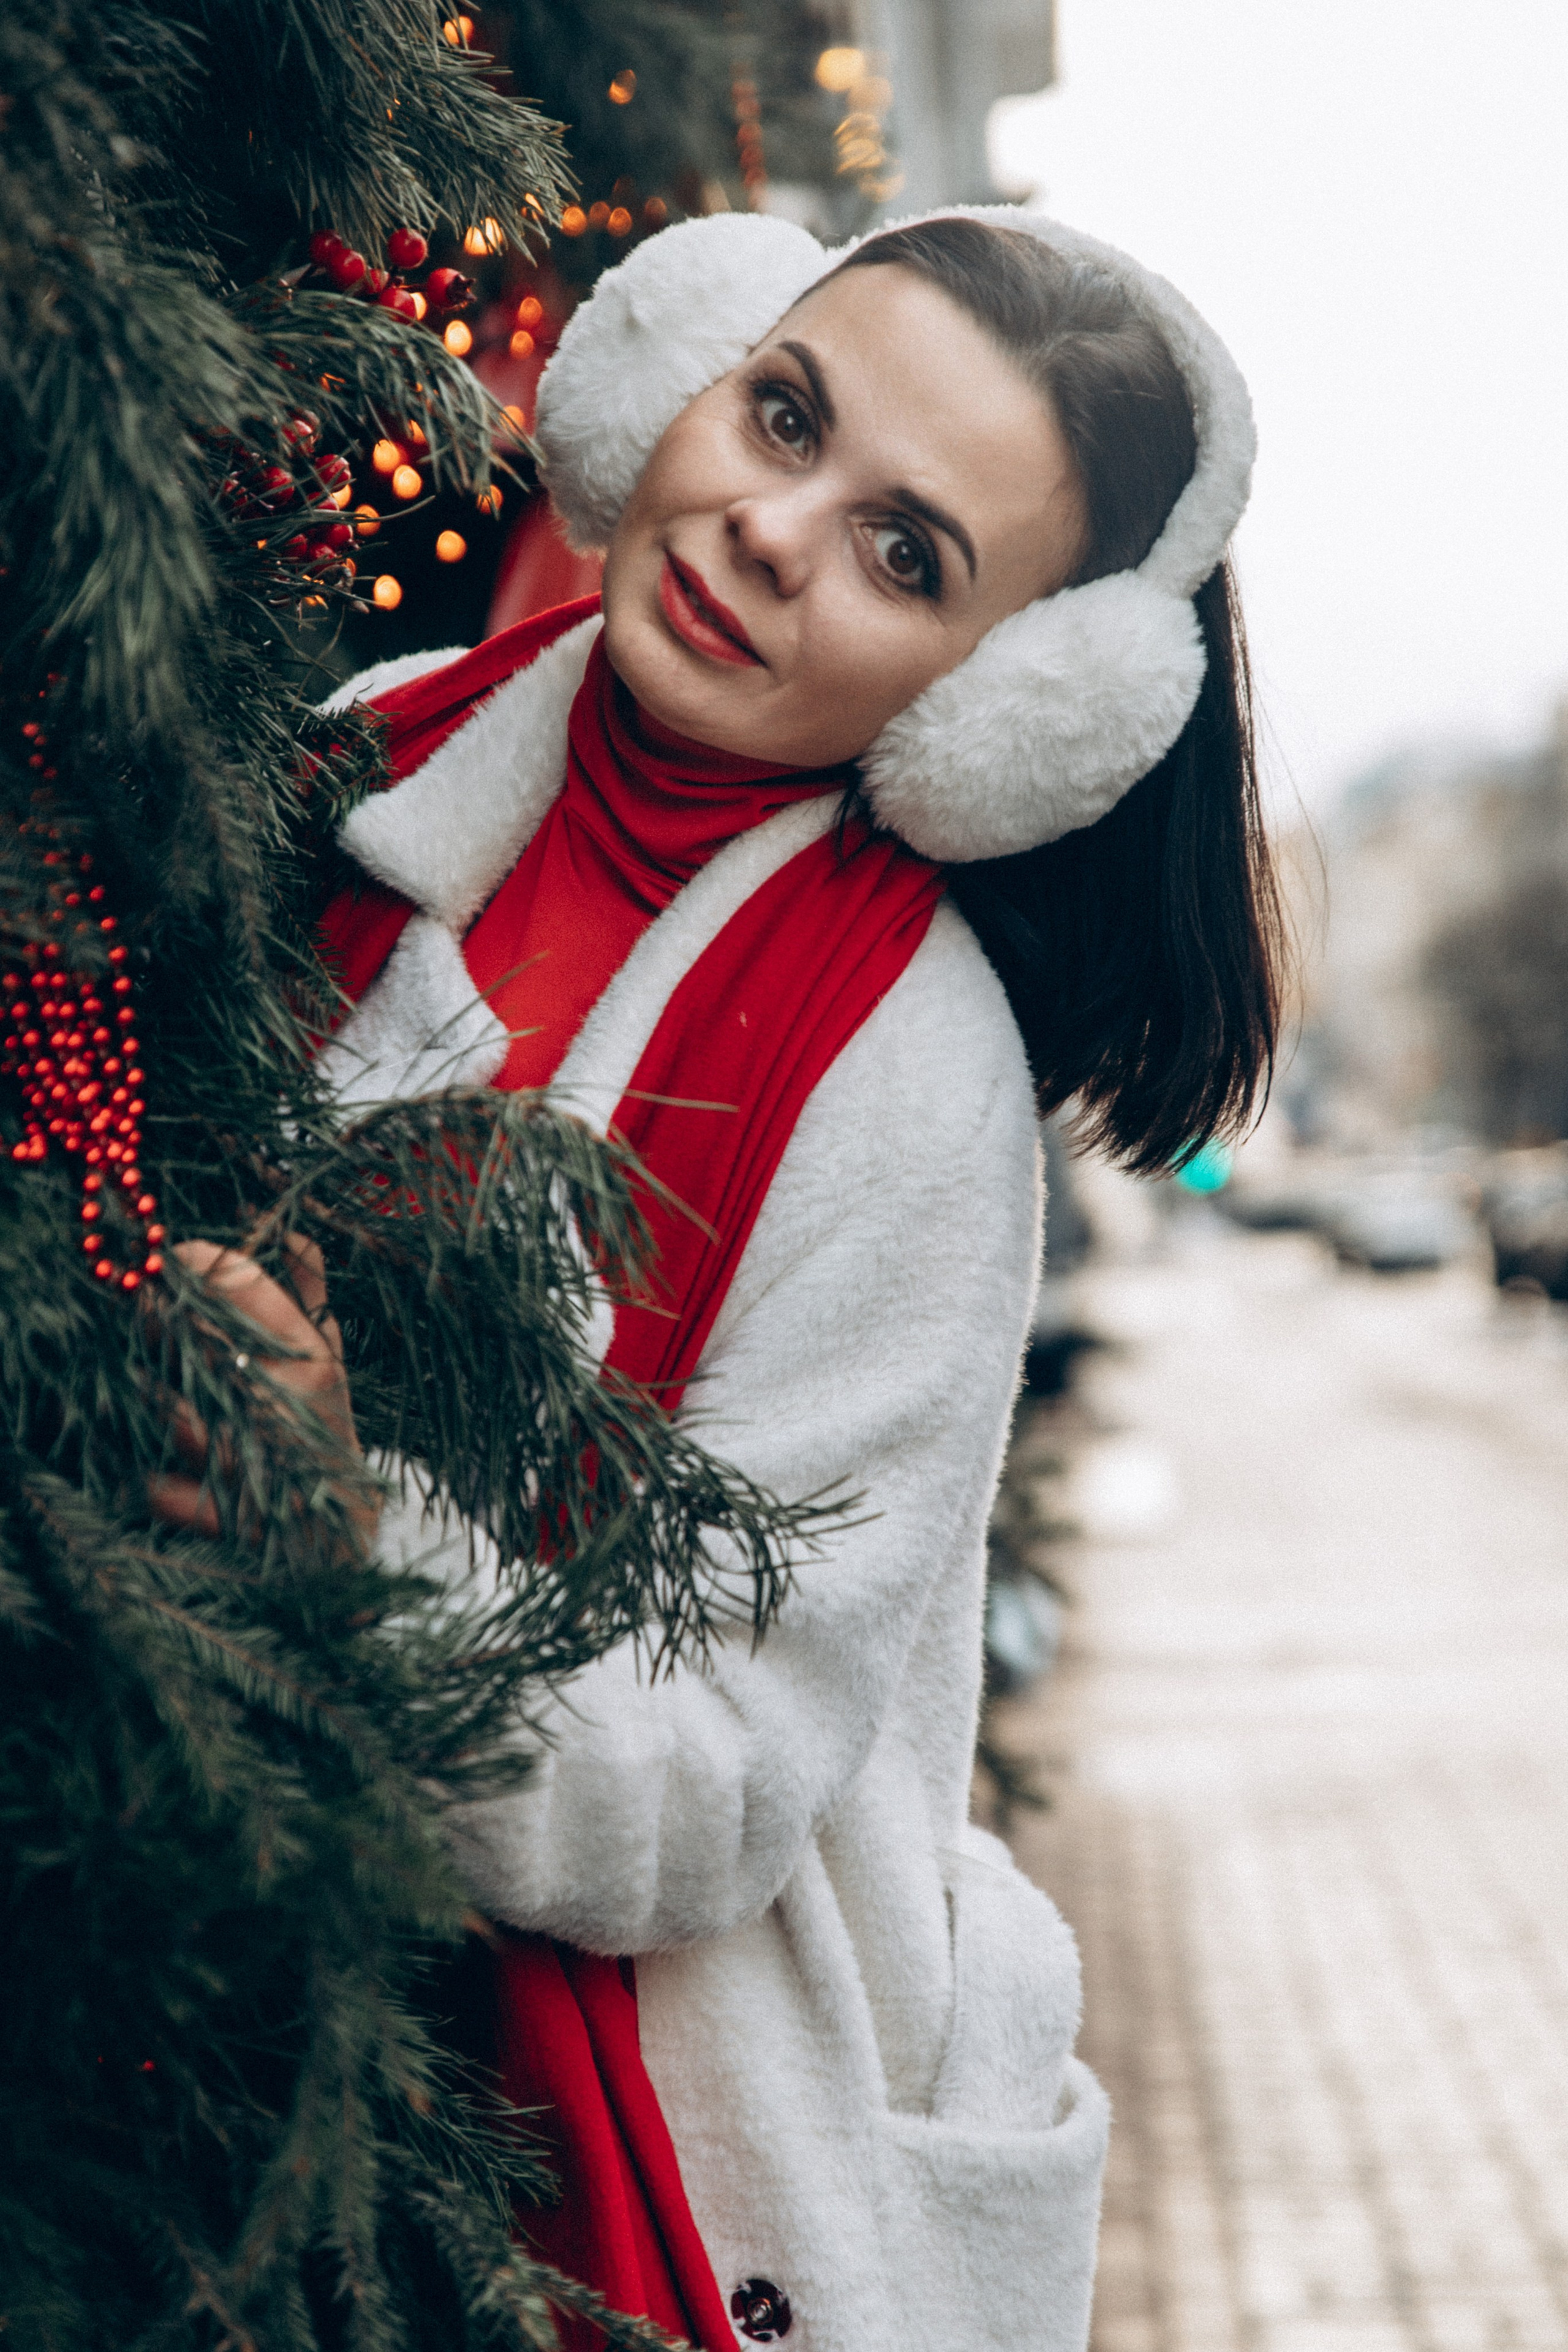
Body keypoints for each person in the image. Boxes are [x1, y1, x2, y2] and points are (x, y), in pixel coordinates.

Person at [158, 208, 1283, 2352]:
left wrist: (353, 1543)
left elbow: (713, 1786)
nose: (772, 530)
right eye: (783, 415)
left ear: (1004, 711)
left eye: (904, 554)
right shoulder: (363, 753)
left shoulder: (909, 1084)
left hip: (554, 2157)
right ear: (672, 368)